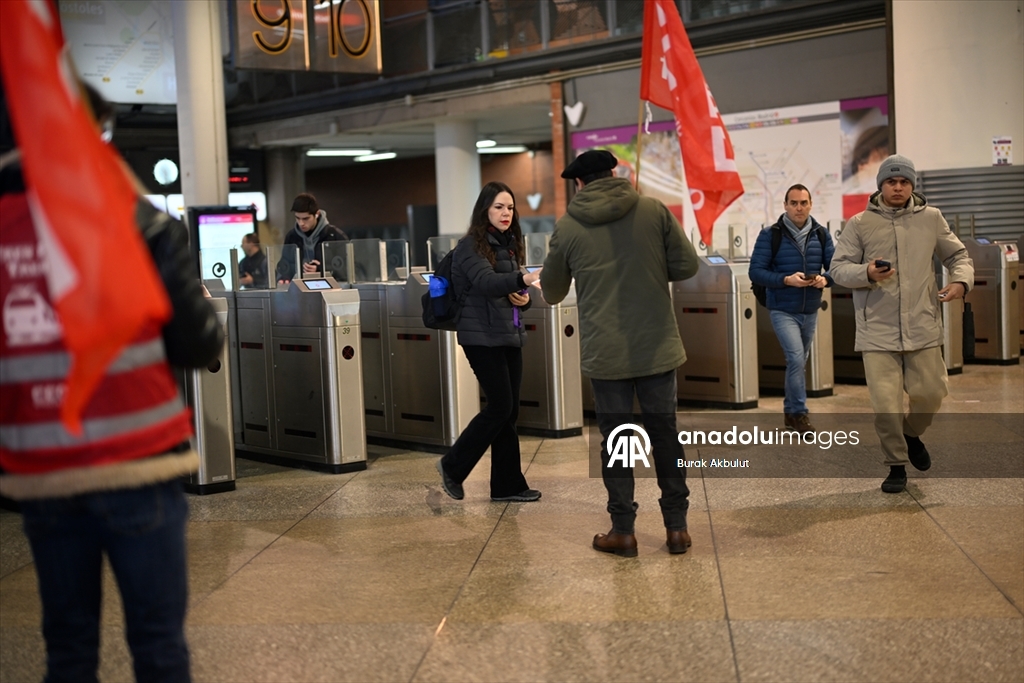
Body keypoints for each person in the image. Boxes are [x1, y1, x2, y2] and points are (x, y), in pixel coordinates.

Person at [0, 109, 224, 680]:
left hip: (45, 473)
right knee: (157, 645)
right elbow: (198, 342)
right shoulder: (134, 220)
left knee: (69, 648)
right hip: (139, 463)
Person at [540, 150, 700, 557]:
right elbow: (686, 267)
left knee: (616, 441)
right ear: (615, 173)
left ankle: (623, 531)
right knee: (665, 436)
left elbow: (554, 291)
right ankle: (677, 528)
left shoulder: (568, 227)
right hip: (656, 346)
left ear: (579, 184)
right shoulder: (653, 210)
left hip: (606, 351)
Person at [830, 154, 973, 493]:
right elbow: (838, 268)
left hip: (922, 324)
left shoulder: (932, 218)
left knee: (932, 394)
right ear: (880, 185)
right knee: (886, 406)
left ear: (912, 186)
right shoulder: (860, 223)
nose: (898, 187)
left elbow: (957, 255)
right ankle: (895, 465)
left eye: (904, 182)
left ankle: (911, 434)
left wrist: (960, 282)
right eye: (892, 181)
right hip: (876, 330)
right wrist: (866, 272)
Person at [435, 181, 543, 503]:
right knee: (499, 406)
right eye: (498, 207)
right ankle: (452, 466)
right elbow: (486, 282)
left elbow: (514, 292)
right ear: (485, 210)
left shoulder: (508, 245)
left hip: (508, 334)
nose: (506, 213)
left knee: (509, 412)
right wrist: (525, 279)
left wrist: (524, 299)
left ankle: (508, 485)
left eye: (509, 207)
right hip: (480, 337)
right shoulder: (469, 246)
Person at [748, 184, 834, 433]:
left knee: (798, 361)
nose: (799, 208)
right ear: (785, 205)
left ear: (810, 205)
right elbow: (756, 272)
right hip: (782, 308)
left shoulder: (821, 234)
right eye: (794, 203)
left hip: (810, 309)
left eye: (803, 203)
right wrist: (786, 280)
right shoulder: (770, 235)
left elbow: (835, 268)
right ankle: (799, 414)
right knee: (796, 358)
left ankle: (789, 411)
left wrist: (824, 279)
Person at [275, 192, 348, 282]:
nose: (301, 223)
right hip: (300, 292)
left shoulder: (335, 236)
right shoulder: (291, 237)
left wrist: (321, 270)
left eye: (306, 219)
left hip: (330, 291)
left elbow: (348, 269)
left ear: (316, 214)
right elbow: (284, 265)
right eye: (297, 218)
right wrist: (284, 277)